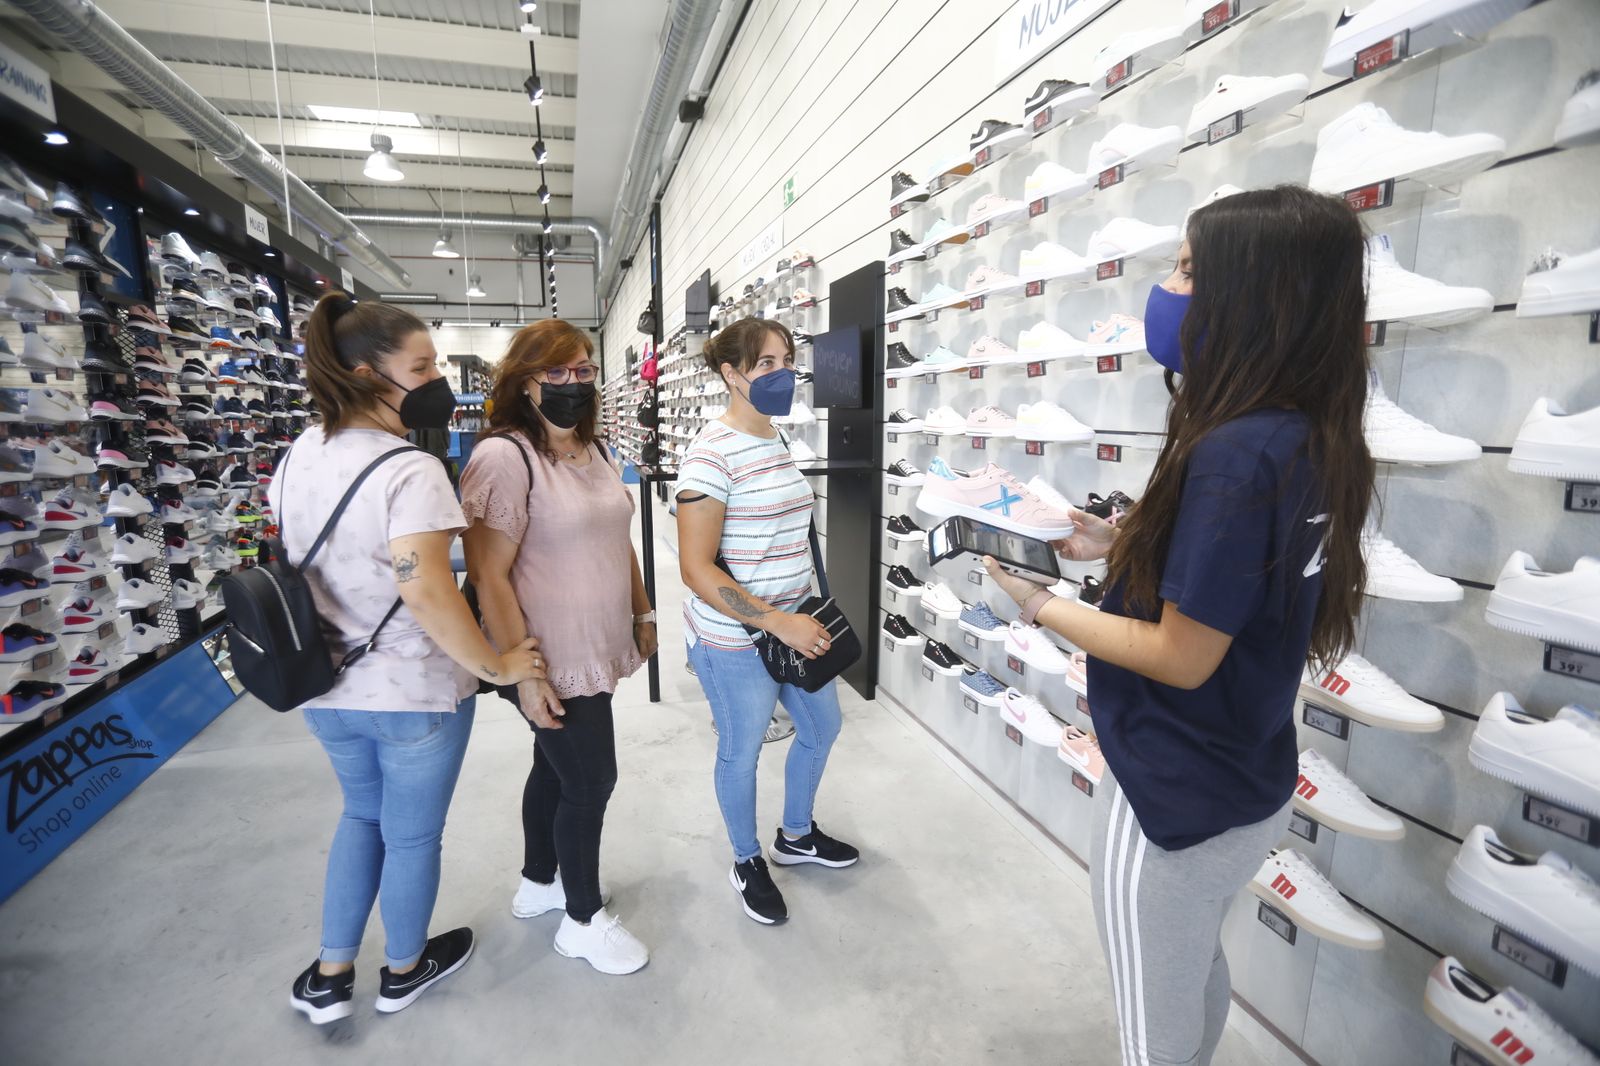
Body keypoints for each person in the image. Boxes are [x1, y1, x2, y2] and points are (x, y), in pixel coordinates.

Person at [979, 186, 1373, 1066]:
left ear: (1253, 294)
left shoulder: (1232, 452)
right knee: (1191, 972)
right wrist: (1124, 542)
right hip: (1249, 776)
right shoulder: (1303, 434)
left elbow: (1182, 657)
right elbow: (1237, 584)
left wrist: (1046, 607)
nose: (1168, 287)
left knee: (1149, 1026)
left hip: (1172, 794)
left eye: (1189, 269)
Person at [277, 293, 543, 1024]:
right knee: (413, 834)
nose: (437, 382)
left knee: (360, 817)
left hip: (326, 684)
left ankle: (330, 974)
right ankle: (402, 966)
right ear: (367, 374)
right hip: (413, 691)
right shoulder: (410, 469)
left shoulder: (301, 451)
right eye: (421, 366)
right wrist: (495, 665)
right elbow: (424, 586)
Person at [460, 319, 655, 975]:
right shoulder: (504, 458)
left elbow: (617, 534)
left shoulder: (589, 448)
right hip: (548, 655)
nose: (574, 383)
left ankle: (540, 882)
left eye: (583, 369)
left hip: (596, 643)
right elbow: (487, 574)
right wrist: (524, 675)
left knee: (557, 767)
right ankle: (582, 919)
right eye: (557, 371)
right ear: (524, 379)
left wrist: (643, 608)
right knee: (592, 779)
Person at [674, 317, 857, 926]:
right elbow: (697, 569)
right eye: (766, 365)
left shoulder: (774, 439)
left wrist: (800, 609)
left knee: (821, 728)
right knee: (742, 750)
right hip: (735, 639)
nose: (783, 374)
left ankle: (796, 836)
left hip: (797, 624)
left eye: (787, 360)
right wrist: (779, 622)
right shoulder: (709, 455)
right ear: (731, 375)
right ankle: (747, 858)